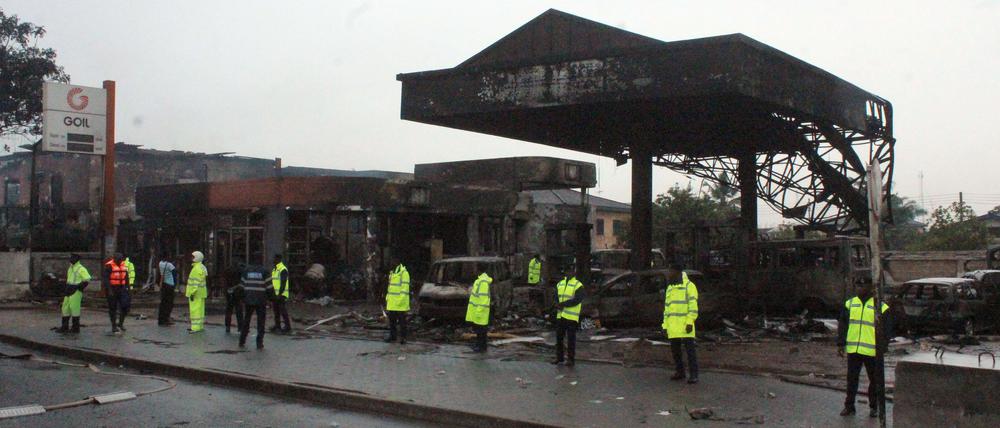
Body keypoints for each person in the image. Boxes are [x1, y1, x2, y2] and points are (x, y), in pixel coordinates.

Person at [837, 279, 890, 418]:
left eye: (862, 285)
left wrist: (883, 345)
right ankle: (849, 406)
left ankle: (874, 407)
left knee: (875, 381)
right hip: (854, 349)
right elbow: (842, 325)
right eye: (857, 285)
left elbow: (888, 328)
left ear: (870, 288)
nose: (859, 288)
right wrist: (841, 344)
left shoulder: (880, 306)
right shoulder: (850, 304)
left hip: (872, 351)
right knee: (852, 379)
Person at [662, 263, 699, 384]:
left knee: (690, 351)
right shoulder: (670, 288)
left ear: (677, 272)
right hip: (673, 326)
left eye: (670, 271)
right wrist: (665, 325)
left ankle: (694, 374)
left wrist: (689, 322)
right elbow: (667, 308)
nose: (668, 274)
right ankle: (680, 371)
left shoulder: (689, 286)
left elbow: (693, 307)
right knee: (676, 351)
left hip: (685, 325)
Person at [551, 265, 585, 366]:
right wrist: (557, 304)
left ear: (573, 272)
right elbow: (555, 297)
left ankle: (571, 359)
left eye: (570, 271)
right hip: (560, 315)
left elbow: (577, 300)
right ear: (565, 272)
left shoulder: (578, 285)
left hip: (571, 317)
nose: (569, 273)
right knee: (559, 338)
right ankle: (560, 358)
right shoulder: (560, 284)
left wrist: (563, 305)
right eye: (567, 271)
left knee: (571, 339)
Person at [239, 264, 272, 349]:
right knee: (261, 322)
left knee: (246, 320)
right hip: (261, 299)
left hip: (249, 298)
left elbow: (241, 286)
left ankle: (242, 340)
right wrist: (271, 299)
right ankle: (259, 343)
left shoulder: (246, 271)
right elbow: (269, 287)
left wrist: (242, 298)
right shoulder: (264, 271)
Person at [57, 254, 91, 334]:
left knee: (74, 309)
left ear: (77, 259)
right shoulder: (70, 268)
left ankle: (75, 328)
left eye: (73, 258)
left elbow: (87, 279)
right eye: (71, 257)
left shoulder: (81, 268)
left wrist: (79, 287)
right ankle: (64, 327)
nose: (71, 259)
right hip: (68, 289)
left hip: (75, 290)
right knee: (65, 308)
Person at [384, 257, 411, 344]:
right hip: (392, 303)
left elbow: (405, 289)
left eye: (392, 262)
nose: (391, 263)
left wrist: (400, 300)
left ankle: (403, 338)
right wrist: (387, 298)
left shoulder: (404, 273)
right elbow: (390, 288)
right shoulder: (392, 273)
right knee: (392, 322)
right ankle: (393, 336)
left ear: (397, 263)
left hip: (400, 303)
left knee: (402, 322)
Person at [465, 270, 493, 353]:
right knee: (479, 330)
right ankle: (479, 345)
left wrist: (479, 311)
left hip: (480, 312)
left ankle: (481, 347)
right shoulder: (479, 281)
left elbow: (484, 299)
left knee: (481, 331)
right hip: (478, 312)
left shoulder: (483, 282)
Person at [103, 252, 131, 334]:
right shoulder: (109, 266)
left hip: (122, 288)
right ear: (114, 259)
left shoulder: (123, 265)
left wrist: (128, 288)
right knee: (113, 308)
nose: (120, 260)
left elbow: (126, 277)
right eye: (118, 259)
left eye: (121, 259)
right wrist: (109, 290)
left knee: (125, 306)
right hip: (112, 289)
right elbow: (106, 279)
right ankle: (114, 326)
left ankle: (120, 323)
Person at [185, 251, 209, 333]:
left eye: (193, 257)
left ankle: (195, 327)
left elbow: (195, 283)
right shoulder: (202, 267)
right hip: (201, 293)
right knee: (200, 310)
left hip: (195, 294)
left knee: (195, 310)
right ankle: (199, 326)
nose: (191, 258)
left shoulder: (196, 269)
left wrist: (192, 293)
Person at [270, 254, 291, 333]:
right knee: (276, 310)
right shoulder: (275, 269)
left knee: (282, 310)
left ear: (279, 259)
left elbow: (283, 282)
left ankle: (287, 326)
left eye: (275, 259)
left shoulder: (282, 269)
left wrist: (279, 294)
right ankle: (277, 325)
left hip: (281, 294)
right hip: (275, 294)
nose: (273, 260)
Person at [225, 263, 245, 334]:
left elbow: (225, 281)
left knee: (229, 310)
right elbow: (242, 283)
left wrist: (226, 290)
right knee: (239, 311)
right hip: (237, 293)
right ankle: (240, 327)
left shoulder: (228, 270)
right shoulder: (241, 271)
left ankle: (227, 327)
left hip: (229, 292)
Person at [157, 256, 177, 326]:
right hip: (170, 285)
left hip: (164, 285)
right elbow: (175, 273)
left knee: (163, 303)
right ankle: (166, 319)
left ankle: (161, 320)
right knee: (169, 303)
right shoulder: (169, 265)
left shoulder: (160, 263)